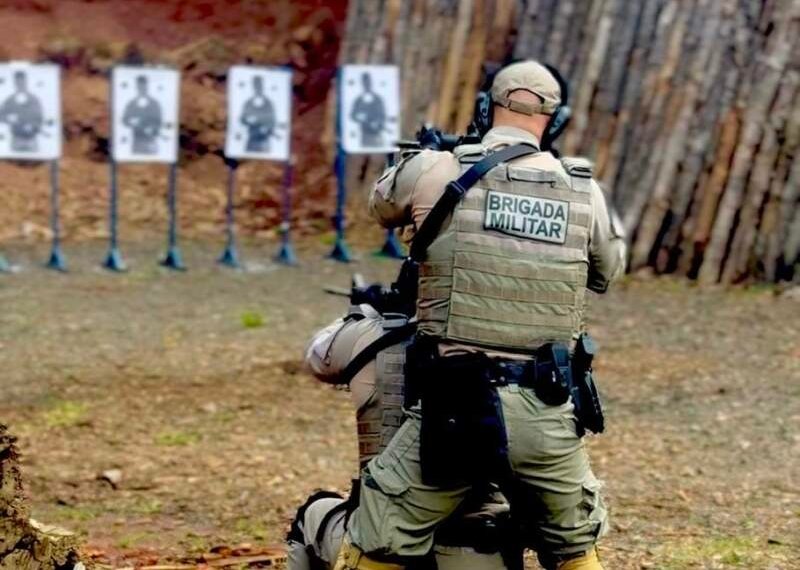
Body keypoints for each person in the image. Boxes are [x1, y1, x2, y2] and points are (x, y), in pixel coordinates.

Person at [334, 61, 627, 570]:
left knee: (376, 535)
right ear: (556, 121)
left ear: (488, 108)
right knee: (577, 547)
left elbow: (380, 205)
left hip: (455, 408)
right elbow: (607, 272)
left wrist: (422, 157)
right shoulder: (584, 192)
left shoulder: (440, 170)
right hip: (549, 408)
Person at [288, 305, 511, 570]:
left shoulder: (373, 335)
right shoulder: (513, 354)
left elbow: (316, 354)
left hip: (383, 547)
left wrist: (363, 315)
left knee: (312, 513)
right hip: (483, 548)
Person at [0, 70, 44, 153]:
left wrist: (34, 126)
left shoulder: (34, 100)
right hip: (16, 140)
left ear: (26, 81)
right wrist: (8, 119)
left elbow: (40, 118)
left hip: (31, 141)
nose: (20, 84)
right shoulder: (10, 101)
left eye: (22, 81)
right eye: (18, 82)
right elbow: (1, 116)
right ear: (15, 83)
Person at [122, 75, 162, 155]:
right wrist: (132, 122)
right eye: (139, 86)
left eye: (144, 86)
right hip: (137, 141)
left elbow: (159, 121)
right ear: (136, 87)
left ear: (147, 86)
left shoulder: (154, 104)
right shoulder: (131, 104)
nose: (142, 89)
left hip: (151, 141)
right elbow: (125, 120)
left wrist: (153, 128)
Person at [240, 75, 277, 153]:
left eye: (260, 85)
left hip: (264, 141)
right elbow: (242, 119)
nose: (258, 88)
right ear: (253, 87)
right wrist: (250, 121)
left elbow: (273, 121)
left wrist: (266, 127)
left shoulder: (268, 103)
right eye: (256, 85)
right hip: (252, 139)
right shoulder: (248, 103)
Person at [350, 72, 386, 148]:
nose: (367, 85)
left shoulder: (378, 99)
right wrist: (360, 118)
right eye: (365, 83)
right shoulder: (358, 100)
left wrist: (378, 123)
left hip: (377, 135)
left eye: (368, 82)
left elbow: (382, 115)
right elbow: (353, 115)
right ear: (362, 84)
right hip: (365, 135)